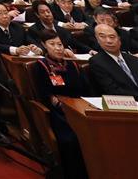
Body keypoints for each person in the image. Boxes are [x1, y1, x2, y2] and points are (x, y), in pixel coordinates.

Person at [31, 30, 90, 179]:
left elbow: (84, 89)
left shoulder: (72, 65)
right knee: (71, 139)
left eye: (60, 44)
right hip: (60, 112)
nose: (57, 48)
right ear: (44, 45)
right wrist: (60, 103)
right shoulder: (41, 66)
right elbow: (45, 94)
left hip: (80, 106)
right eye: (52, 44)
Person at [87, 22, 138, 95]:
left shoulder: (133, 59)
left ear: (119, 40)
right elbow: (113, 91)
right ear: (98, 40)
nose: (109, 41)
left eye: (112, 37)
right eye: (102, 37)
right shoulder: (97, 62)